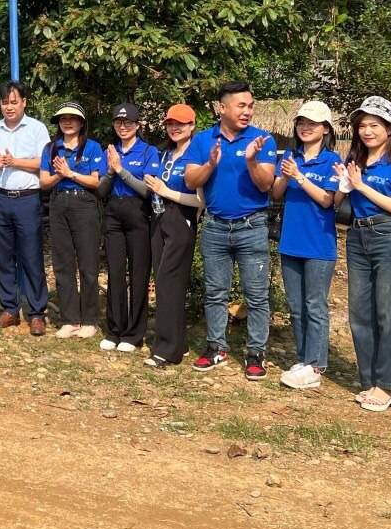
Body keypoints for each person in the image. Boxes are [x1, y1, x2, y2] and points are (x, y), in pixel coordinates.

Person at [182, 81, 277, 380]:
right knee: (215, 293)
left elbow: (266, 185)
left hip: (252, 226)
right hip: (214, 227)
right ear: (221, 108)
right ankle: (216, 348)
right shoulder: (202, 140)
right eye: (241, 105)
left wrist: (251, 160)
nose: (247, 111)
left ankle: (255, 354)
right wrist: (210, 162)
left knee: (257, 295)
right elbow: (190, 181)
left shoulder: (263, 140)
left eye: (250, 106)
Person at [335, 96, 391, 413]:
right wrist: (344, 184)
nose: (367, 131)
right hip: (357, 235)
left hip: (388, 236)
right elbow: (337, 203)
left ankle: (388, 385)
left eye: (374, 125)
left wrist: (362, 186)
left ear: (389, 128)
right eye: (362, 125)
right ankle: (369, 381)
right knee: (360, 313)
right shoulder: (355, 160)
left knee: (389, 312)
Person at [271, 101, 342, 389]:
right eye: (301, 122)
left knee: (315, 305)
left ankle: (316, 365)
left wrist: (299, 176)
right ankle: (303, 359)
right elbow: (276, 194)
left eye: (312, 123)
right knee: (296, 307)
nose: (305, 127)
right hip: (290, 242)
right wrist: (286, 176)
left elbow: (327, 200)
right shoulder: (289, 155)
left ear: (325, 129)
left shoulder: (332, 160)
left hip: (319, 245)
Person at [0, 80, 50, 335]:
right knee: (3, 256)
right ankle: (10, 308)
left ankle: (36, 313)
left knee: (32, 256)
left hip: (27, 198)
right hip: (0, 197)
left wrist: (14, 161)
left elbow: (44, 163)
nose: (9, 107)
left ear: (24, 102)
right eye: (4, 102)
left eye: (14, 101)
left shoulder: (37, 128)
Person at [142, 103, 203, 367]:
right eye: (170, 123)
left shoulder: (196, 156)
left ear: (191, 126)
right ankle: (180, 342)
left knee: (168, 283)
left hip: (181, 219)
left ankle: (166, 351)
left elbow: (202, 201)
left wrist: (165, 191)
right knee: (166, 281)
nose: (174, 128)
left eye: (180, 124)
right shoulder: (165, 153)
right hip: (159, 217)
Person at [38, 101, 105, 339]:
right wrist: (59, 174)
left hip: (84, 204)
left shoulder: (93, 147)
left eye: (73, 118)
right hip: (58, 204)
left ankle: (89, 319)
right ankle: (69, 319)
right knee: (63, 263)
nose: (67, 122)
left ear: (81, 122)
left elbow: (97, 182)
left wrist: (71, 173)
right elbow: (44, 182)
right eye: (63, 118)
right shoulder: (51, 148)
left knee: (88, 263)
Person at [99, 103, 161, 353]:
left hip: (138, 213)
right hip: (113, 212)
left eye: (128, 123)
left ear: (138, 125)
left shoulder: (148, 151)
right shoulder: (110, 151)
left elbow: (147, 190)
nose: (123, 127)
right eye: (118, 123)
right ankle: (115, 329)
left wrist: (120, 170)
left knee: (138, 275)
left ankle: (134, 334)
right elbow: (101, 191)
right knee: (115, 273)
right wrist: (111, 171)